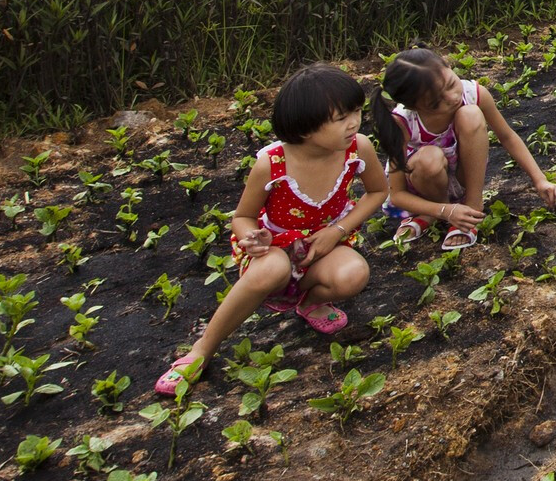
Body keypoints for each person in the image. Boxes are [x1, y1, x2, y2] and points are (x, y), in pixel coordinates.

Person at [156, 65, 386, 396]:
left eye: (356, 111)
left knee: (353, 274)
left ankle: (307, 301)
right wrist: (253, 238)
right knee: (273, 270)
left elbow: (378, 192)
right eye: (340, 118)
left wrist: (338, 230)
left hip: (323, 245)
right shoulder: (273, 163)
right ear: (305, 128)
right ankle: (201, 350)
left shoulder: (357, 149)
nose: (353, 122)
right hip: (276, 248)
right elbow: (243, 216)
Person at [373, 48, 556, 250]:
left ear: (448, 66)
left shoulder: (473, 93)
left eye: (451, 84)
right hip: (424, 185)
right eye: (436, 102)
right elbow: (397, 195)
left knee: (470, 114)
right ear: (413, 107)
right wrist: (445, 210)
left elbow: (507, 136)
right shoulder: (402, 122)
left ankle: (472, 206)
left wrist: (540, 179)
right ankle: (436, 212)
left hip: (463, 177)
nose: (452, 97)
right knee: (429, 157)